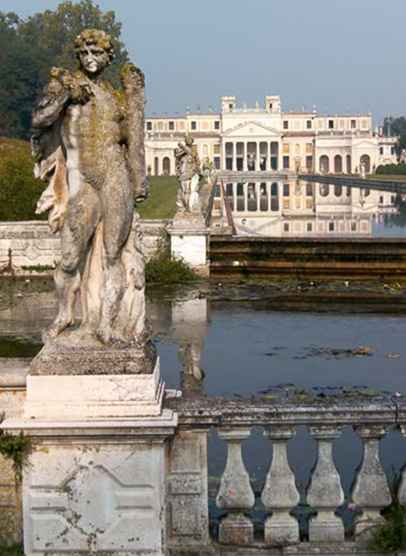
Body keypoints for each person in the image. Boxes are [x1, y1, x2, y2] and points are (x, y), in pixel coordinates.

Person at [32, 29, 147, 344]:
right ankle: (64, 314)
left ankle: (106, 324)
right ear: (78, 56)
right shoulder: (64, 85)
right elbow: (40, 119)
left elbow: (132, 140)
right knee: (69, 257)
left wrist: (140, 178)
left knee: (112, 254)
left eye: (97, 53)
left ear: (108, 57)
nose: (91, 59)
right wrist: (66, 95)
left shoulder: (115, 97)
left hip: (114, 176)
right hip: (83, 179)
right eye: (85, 53)